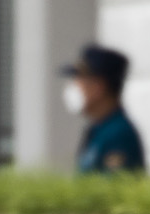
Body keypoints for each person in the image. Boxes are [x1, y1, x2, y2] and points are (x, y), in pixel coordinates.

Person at [62, 44, 145, 174]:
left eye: (79, 80)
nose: (74, 86)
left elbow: (113, 189)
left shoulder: (119, 134)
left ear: (98, 86)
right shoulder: (98, 129)